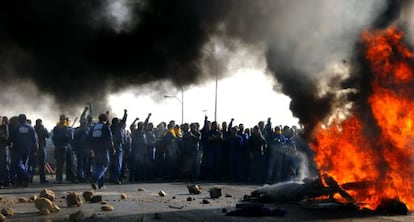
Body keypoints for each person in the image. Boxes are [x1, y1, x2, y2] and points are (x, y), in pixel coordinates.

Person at [9, 114, 37, 187]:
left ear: (19, 119)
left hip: (18, 148)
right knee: (25, 164)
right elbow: (34, 139)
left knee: (18, 164)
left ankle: (26, 177)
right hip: (28, 148)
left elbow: (11, 137)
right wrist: (34, 149)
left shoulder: (16, 128)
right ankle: (21, 182)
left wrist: (8, 144)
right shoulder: (31, 128)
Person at [88, 113, 114, 189]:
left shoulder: (93, 127)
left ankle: (101, 184)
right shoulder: (106, 127)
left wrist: (90, 149)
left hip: (95, 149)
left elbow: (89, 138)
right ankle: (95, 178)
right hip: (103, 149)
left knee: (98, 165)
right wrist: (113, 149)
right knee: (105, 164)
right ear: (105, 120)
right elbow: (110, 139)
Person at [52, 114, 75, 184]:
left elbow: (54, 138)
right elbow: (71, 138)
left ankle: (63, 178)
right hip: (64, 147)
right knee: (63, 164)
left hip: (63, 147)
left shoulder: (58, 128)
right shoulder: (66, 128)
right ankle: (64, 178)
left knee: (65, 164)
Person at [109, 109, 127, 184]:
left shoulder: (110, 127)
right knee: (118, 163)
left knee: (112, 163)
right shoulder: (118, 127)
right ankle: (116, 178)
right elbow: (123, 120)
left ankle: (112, 177)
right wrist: (125, 113)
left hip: (111, 146)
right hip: (118, 146)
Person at [34, 119, 49, 183]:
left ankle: (29, 179)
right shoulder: (42, 129)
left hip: (34, 148)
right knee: (42, 164)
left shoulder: (33, 129)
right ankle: (42, 179)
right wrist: (45, 129)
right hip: (41, 148)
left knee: (32, 164)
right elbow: (48, 136)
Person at [0, 116, 10, 188]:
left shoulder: (5, 126)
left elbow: (6, 137)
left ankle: (6, 181)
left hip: (3, 147)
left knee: (4, 164)